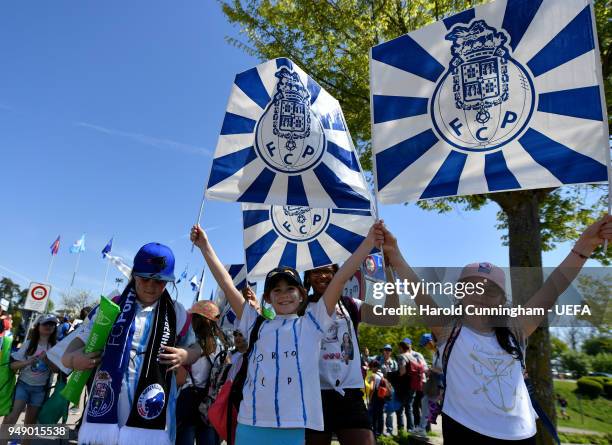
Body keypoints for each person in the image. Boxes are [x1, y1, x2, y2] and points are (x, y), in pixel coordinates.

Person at [381, 215, 612, 444]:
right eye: (470, 289)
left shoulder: (516, 328)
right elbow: (417, 290)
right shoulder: (448, 329)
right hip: (465, 430)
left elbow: (553, 288)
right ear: (459, 296)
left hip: (521, 434)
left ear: (502, 299)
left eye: (490, 291)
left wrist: (585, 245)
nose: (480, 296)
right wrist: (394, 253)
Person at [190, 221, 384, 445]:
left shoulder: (313, 323)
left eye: (290, 288)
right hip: (249, 424)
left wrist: (369, 242)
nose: (284, 295)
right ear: (268, 298)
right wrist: (205, 246)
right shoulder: (255, 323)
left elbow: (339, 280)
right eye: (276, 289)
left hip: (293, 428)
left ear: (301, 294)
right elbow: (226, 284)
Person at [62, 242, 202, 445]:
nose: (152, 287)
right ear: (134, 274)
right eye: (145, 279)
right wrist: (76, 359)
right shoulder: (111, 307)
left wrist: (185, 355)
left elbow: (196, 348)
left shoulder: (177, 312)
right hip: (108, 412)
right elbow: (70, 352)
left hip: (155, 418)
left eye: (160, 281)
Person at [302, 257, 400, 445]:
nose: (322, 275)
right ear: (308, 277)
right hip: (313, 396)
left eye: (328, 270)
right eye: (315, 271)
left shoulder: (351, 304)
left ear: (336, 274)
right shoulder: (301, 307)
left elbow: (392, 316)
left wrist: (389, 270)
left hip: (350, 395)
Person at [176, 300, 229, 445]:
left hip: (188, 398)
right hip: (211, 400)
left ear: (197, 319)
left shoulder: (191, 344)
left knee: (183, 439)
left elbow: (180, 379)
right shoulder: (223, 345)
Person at [1, 314, 58, 441]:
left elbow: (57, 370)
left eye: (52, 324)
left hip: (40, 390)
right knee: (10, 419)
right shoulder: (28, 344)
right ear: (38, 326)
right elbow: (12, 366)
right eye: (46, 323)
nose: (49, 326)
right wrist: (28, 362)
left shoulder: (56, 346)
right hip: (23, 386)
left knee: (30, 425)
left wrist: (48, 360)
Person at [395, 338, 427, 433]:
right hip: (414, 384)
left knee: (404, 408)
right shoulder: (413, 356)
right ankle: (413, 429)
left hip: (411, 384)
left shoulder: (406, 356)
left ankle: (404, 430)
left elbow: (402, 372)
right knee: (412, 407)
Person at [376, 344, 398, 435]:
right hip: (380, 388)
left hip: (390, 389)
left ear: (391, 352)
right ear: (383, 351)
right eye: (385, 349)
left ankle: (389, 430)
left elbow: (397, 375)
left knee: (390, 411)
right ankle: (379, 431)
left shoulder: (394, 362)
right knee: (379, 409)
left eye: (389, 350)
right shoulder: (378, 360)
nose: (387, 351)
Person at [366, 360, 385, 437]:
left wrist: (369, 400)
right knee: (380, 415)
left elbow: (372, 388)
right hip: (381, 396)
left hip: (375, 397)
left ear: (374, 367)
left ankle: (372, 432)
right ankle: (379, 432)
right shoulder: (381, 374)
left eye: (371, 367)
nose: (370, 369)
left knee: (372, 415)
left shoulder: (373, 375)